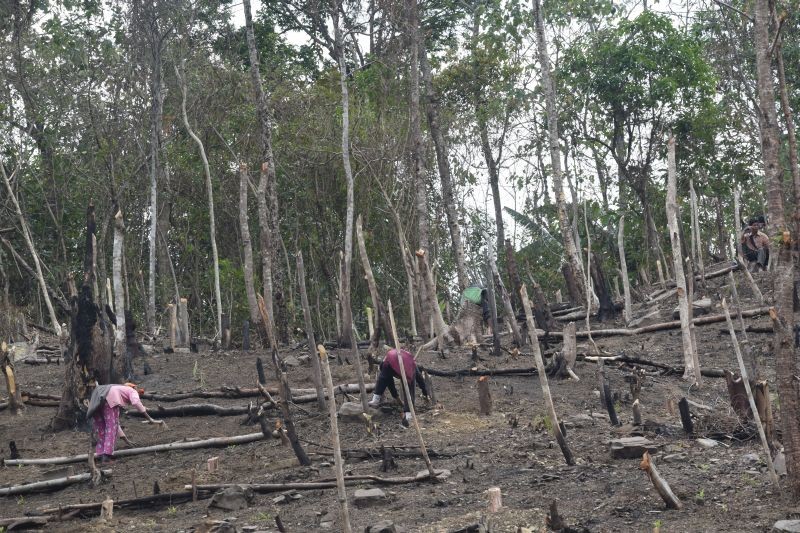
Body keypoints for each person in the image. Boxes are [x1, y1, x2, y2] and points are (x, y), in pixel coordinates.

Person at [86, 382, 164, 462]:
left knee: (102, 427)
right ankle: (106, 456)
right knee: (111, 427)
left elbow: (116, 424)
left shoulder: (117, 388)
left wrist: (126, 440)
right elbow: (136, 402)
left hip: (97, 400)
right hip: (109, 398)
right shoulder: (132, 391)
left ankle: (101, 453)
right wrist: (150, 418)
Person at [367, 348, 429, 427]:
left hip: (395, 361)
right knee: (408, 388)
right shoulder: (410, 364)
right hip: (392, 360)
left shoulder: (411, 366)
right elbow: (390, 382)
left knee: (407, 388)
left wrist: (425, 392)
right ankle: (408, 414)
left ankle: (376, 399)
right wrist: (424, 392)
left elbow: (419, 380)